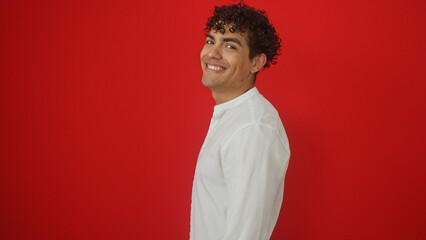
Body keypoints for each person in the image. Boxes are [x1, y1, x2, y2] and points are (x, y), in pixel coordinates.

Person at [190, 2, 290, 240]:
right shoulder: (235, 118)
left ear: (256, 63)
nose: (212, 53)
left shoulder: (252, 130)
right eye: (211, 40)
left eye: (230, 46)